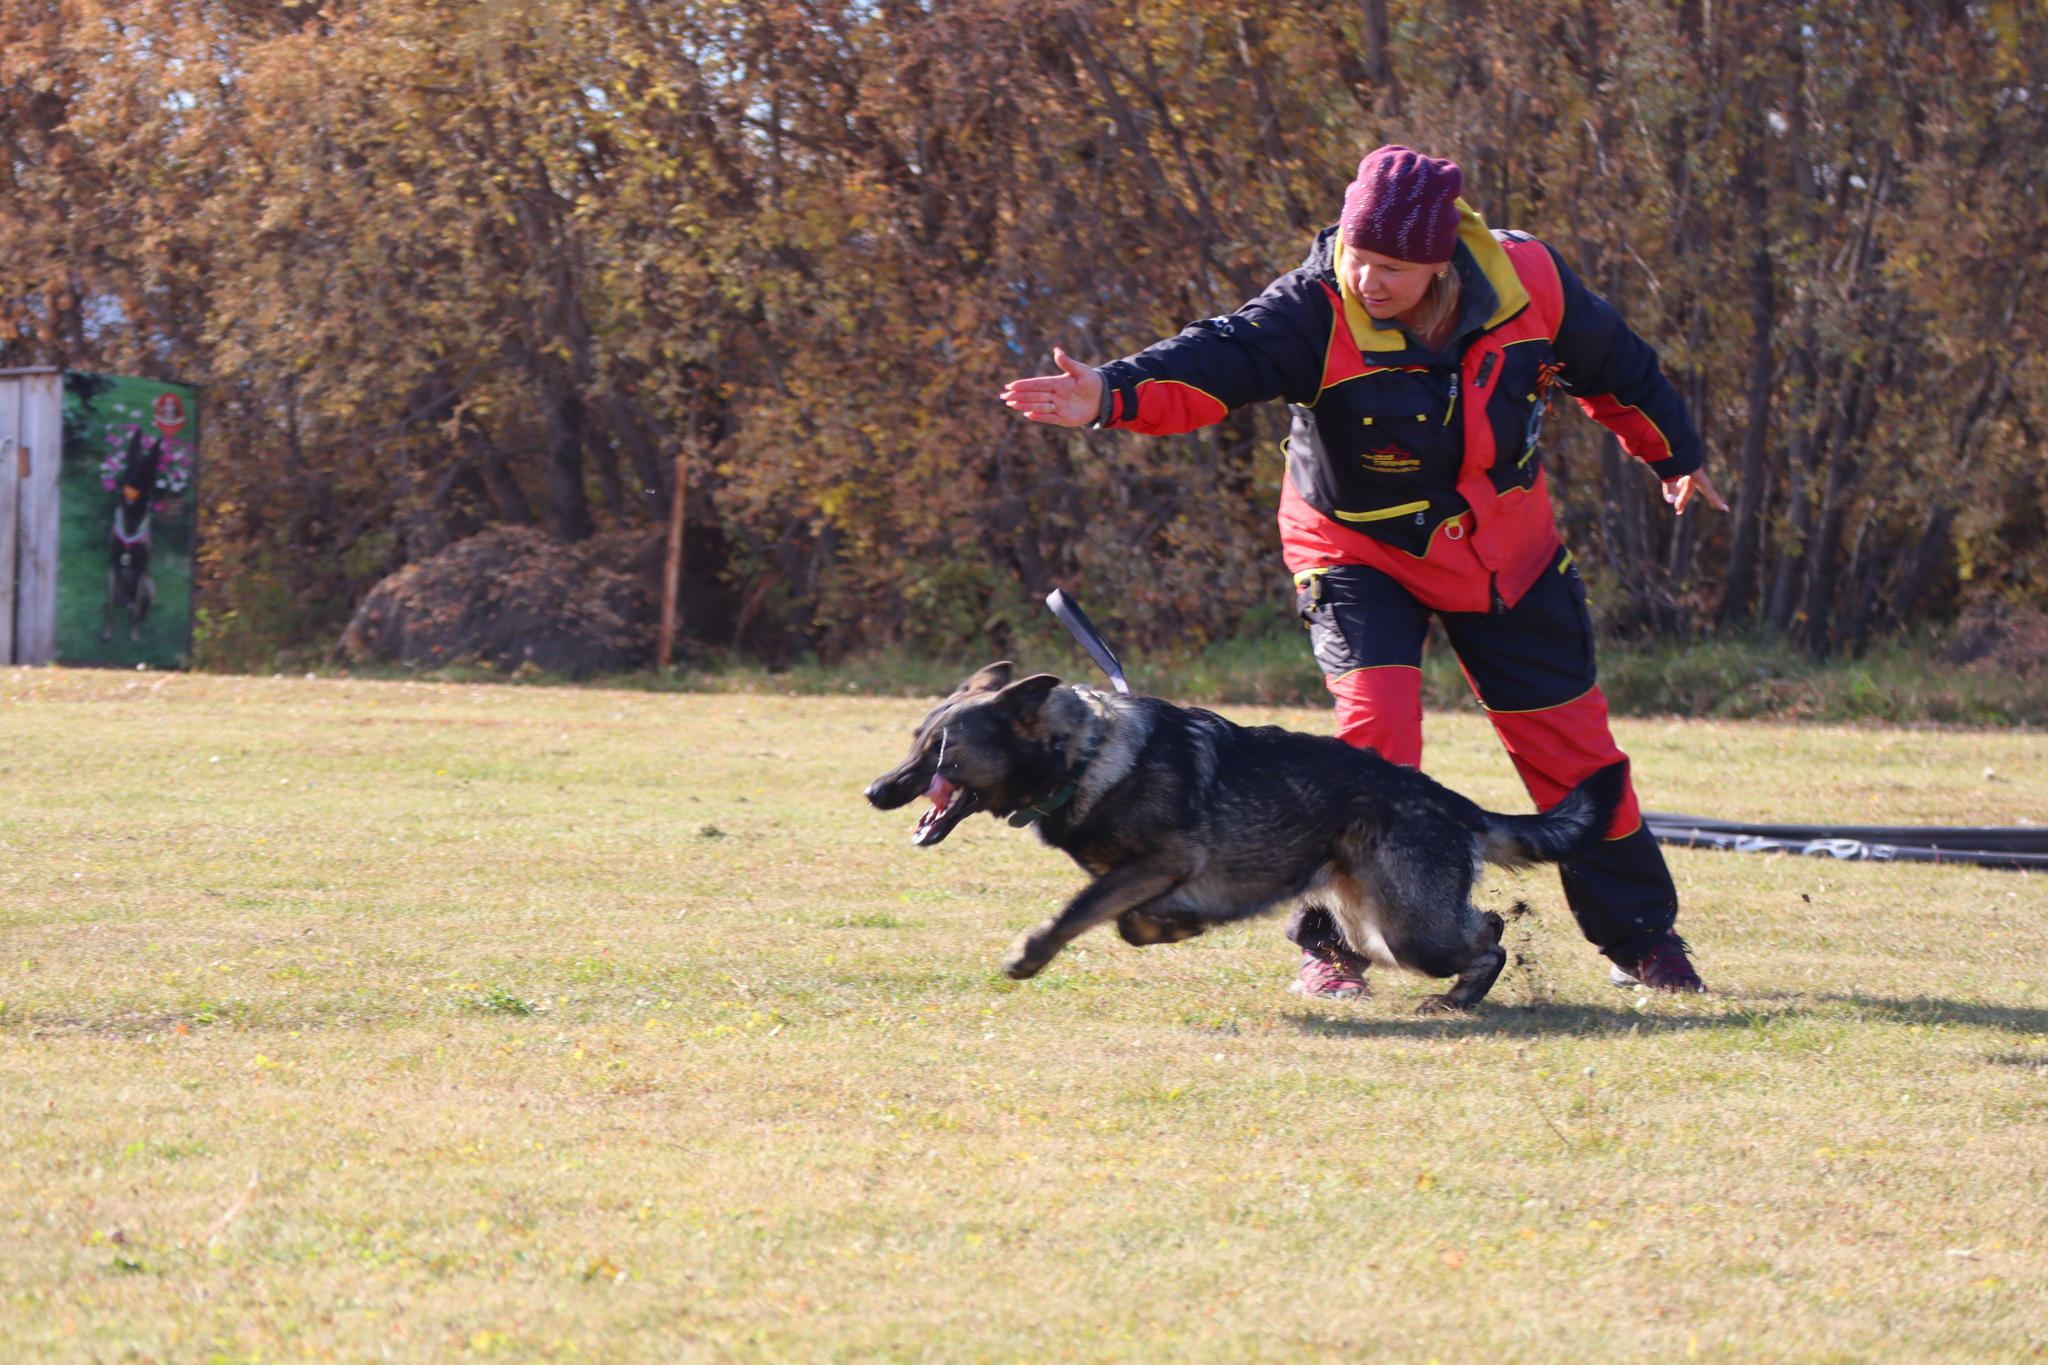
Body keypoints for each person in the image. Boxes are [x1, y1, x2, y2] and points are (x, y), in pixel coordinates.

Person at [999, 145, 1725, 998]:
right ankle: (1333, 946)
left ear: (1443, 261)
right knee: (1375, 734)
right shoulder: (1313, 310)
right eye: (1356, 254)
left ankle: (1642, 941)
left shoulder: (1533, 283)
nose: (1367, 279)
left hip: (1506, 551)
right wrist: (1111, 394)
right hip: (1356, 550)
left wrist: (1672, 452)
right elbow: (1217, 359)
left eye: (1393, 267)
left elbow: (1620, 368)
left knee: (1574, 754)